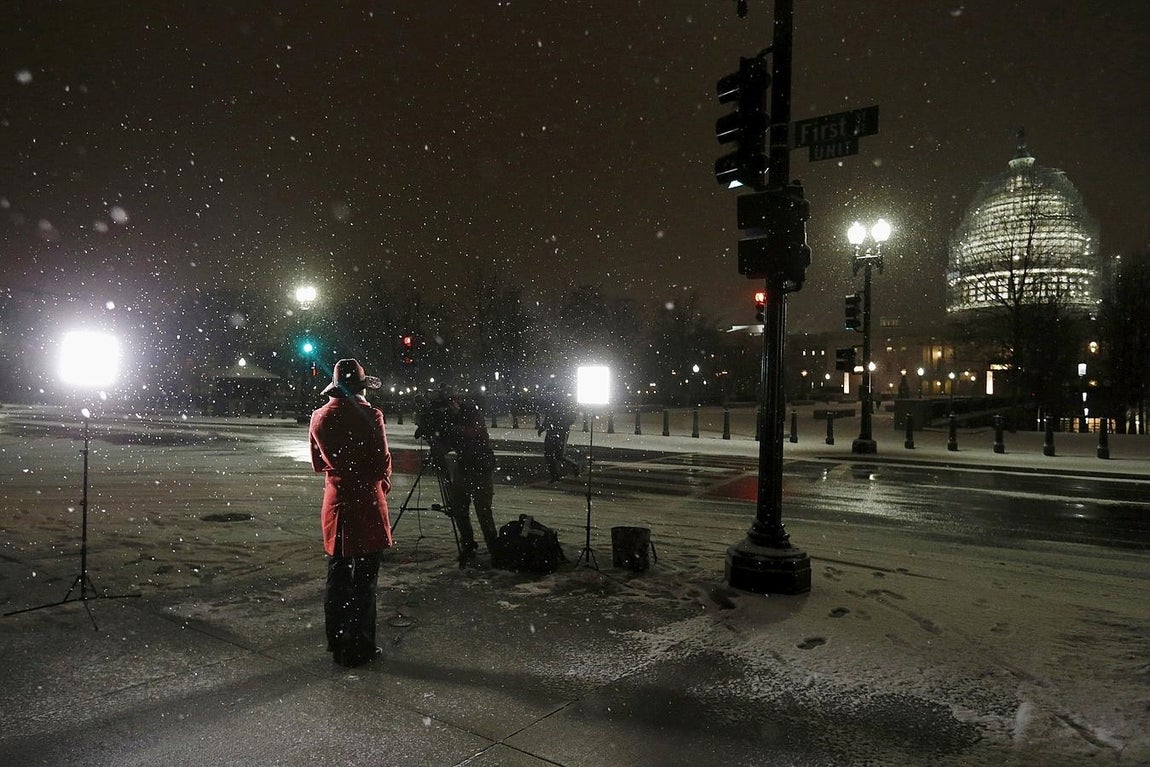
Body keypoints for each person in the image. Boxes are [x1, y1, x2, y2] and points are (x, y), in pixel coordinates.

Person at [309, 359, 392, 668]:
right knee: (366, 578)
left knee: (338, 574)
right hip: (366, 500)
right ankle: (362, 645)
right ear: (360, 388)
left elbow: (319, 463)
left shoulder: (319, 417)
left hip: (336, 501)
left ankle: (338, 642)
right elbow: (381, 461)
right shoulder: (371, 415)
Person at [452, 398, 497, 562]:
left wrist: (454, 428)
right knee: (459, 509)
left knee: (483, 511)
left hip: (479, 467)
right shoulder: (456, 417)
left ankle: (493, 547)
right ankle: (468, 544)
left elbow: (472, 431)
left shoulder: (472, 413)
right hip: (464, 466)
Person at [538, 391, 579, 482]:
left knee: (558, 455)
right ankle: (555, 476)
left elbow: (571, 418)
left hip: (560, 431)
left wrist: (562, 424)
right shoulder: (556, 404)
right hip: (554, 430)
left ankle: (573, 465)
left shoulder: (563, 404)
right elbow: (548, 417)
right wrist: (543, 428)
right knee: (550, 454)